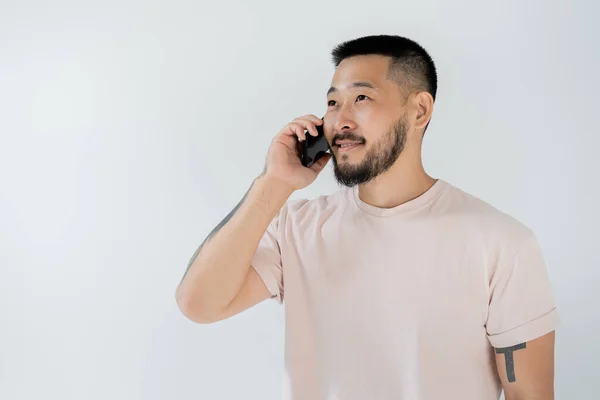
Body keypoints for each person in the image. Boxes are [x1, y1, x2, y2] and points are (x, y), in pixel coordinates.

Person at [175, 34, 559, 400]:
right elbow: (200, 304)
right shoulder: (297, 227)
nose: (340, 120)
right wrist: (272, 184)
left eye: (361, 97)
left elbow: (529, 393)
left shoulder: (501, 243)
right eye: (332, 103)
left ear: (420, 110)